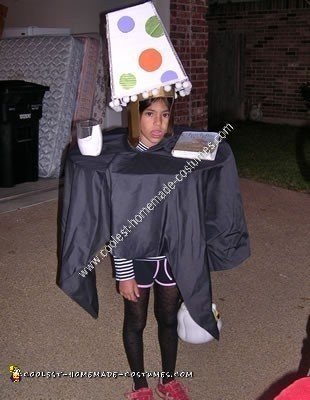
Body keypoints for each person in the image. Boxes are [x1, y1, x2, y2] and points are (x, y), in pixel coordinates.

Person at [113, 96, 191, 400]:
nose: (158, 122)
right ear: (135, 116)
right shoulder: (126, 166)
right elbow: (119, 222)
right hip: (138, 259)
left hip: (169, 258)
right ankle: (140, 384)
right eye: (149, 114)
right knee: (136, 321)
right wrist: (124, 272)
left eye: (164, 114)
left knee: (168, 318)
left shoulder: (176, 157)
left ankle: (168, 379)